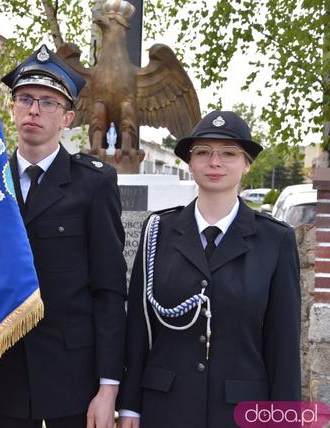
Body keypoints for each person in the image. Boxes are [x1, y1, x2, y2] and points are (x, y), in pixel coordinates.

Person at [117, 111, 301, 428]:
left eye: (229, 153)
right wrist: (130, 407)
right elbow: (138, 327)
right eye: (203, 152)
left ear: (247, 164)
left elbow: (283, 345)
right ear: (190, 162)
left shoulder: (276, 240)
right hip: (165, 408)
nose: (214, 162)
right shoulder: (158, 230)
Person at [0, 44, 128, 428]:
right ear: (12, 108)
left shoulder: (94, 184)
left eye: (48, 102)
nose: (34, 109)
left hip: (74, 380)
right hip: (5, 374)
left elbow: (109, 290)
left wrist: (108, 387)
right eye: (26, 98)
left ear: (67, 118)